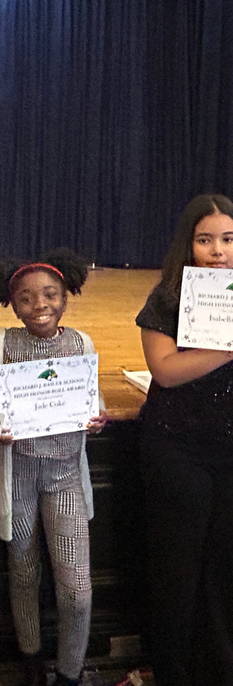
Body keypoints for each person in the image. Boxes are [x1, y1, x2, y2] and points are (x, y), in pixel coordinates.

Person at [0, 249, 104, 686]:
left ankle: (70, 669)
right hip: (19, 477)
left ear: (67, 296)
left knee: (77, 590)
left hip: (65, 475)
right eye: (26, 298)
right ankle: (30, 659)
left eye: (50, 294)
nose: (39, 305)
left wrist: (97, 412)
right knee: (23, 573)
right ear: (11, 302)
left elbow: (89, 395)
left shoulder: (81, 343)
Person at [135, 194, 233, 686]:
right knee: (177, 569)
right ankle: (172, 671)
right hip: (176, 446)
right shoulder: (167, 297)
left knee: (222, 567)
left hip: (229, 447)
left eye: (229, 239)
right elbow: (168, 372)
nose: (218, 250)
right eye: (205, 239)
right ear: (188, 244)